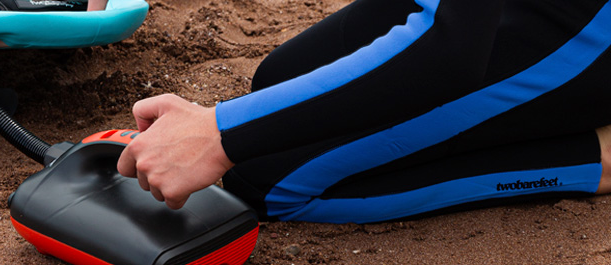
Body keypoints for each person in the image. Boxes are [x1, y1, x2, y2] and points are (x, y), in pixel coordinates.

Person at [117, 0, 611, 223]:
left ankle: (594, 157)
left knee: (268, 180)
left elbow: (446, 52)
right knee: (275, 80)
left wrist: (219, 134)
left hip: (588, 34)